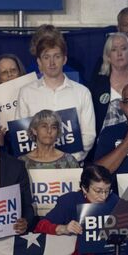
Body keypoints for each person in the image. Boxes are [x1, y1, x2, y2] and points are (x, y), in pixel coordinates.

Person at [15, 33, 96, 162]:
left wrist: (68, 161)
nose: (52, 63)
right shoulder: (26, 92)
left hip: (72, 166)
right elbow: (22, 134)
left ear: (64, 59)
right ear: (39, 62)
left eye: (56, 56)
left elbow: (88, 136)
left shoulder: (82, 92)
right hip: (34, 167)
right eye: (46, 57)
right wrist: (42, 159)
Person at [34, 164, 128, 236]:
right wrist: (63, 228)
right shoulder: (69, 201)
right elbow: (40, 226)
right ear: (84, 188)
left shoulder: (112, 199)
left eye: (107, 190)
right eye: (98, 191)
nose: (103, 196)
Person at [88, 32, 128, 134]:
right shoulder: (98, 84)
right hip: (107, 140)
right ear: (108, 56)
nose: (119, 53)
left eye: (123, 48)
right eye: (114, 50)